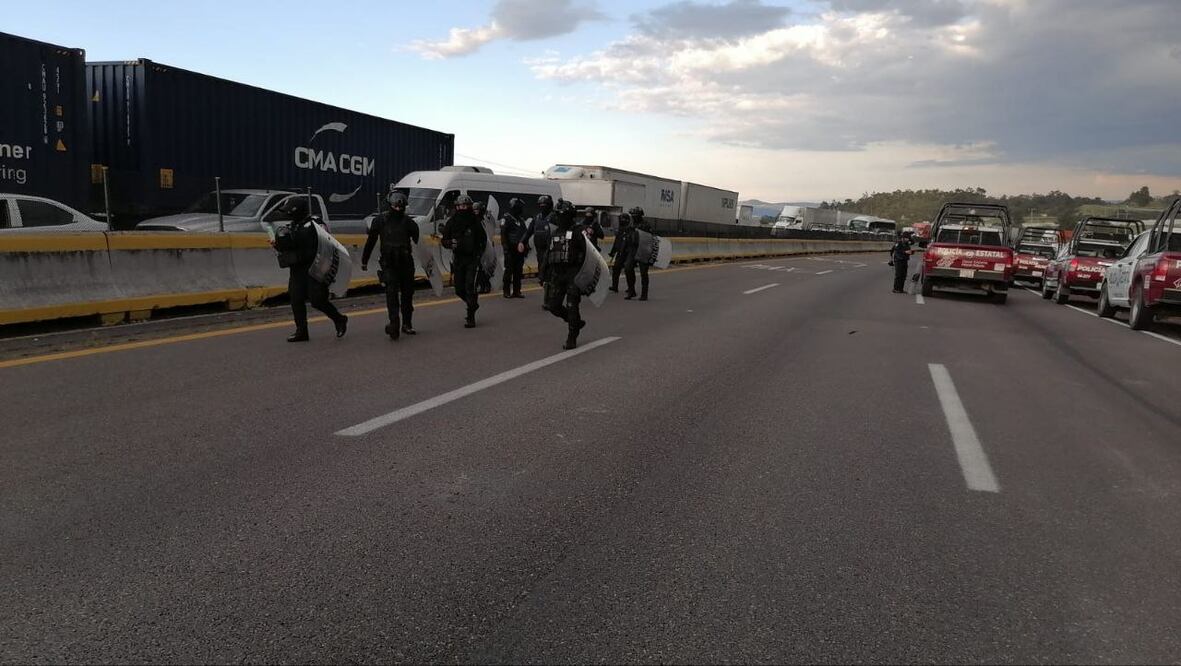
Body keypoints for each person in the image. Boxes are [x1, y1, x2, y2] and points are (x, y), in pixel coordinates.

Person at [274, 197, 348, 342]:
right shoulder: (293, 226)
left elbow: (325, 244)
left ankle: (339, 319)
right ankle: (301, 331)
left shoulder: (315, 224)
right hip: (297, 269)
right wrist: (279, 244)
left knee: (317, 300)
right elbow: (291, 245)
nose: (288, 215)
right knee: (296, 299)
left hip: (315, 268)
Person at [361, 192, 419, 340]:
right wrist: (364, 260)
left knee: (407, 295)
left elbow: (419, 242)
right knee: (391, 294)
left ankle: (407, 323)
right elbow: (371, 241)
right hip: (389, 264)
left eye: (401, 207)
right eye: (396, 206)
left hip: (406, 263)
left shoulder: (410, 223)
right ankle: (394, 323)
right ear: (390, 205)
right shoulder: (380, 221)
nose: (398, 209)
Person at [543, 199, 588, 349]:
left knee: (572, 305)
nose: (560, 218)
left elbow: (589, 252)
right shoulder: (555, 232)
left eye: (564, 215)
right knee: (553, 306)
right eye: (558, 214)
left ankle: (572, 336)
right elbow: (547, 254)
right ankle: (574, 322)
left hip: (573, 274)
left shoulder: (578, 232)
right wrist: (543, 273)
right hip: (557, 274)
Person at [441, 194, 487, 328]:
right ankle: (472, 304)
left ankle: (470, 317)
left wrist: (479, 254)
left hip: (472, 259)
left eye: (466, 206)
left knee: (470, 287)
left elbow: (483, 240)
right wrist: (450, 243)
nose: (464, 208)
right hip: (458, 260)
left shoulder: (475, 222)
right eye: (461, 206)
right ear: (457, 206)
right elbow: (444, 240)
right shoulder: (452, 222)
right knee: (459, 289)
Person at [500, 197, 529, 299]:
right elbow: (503, 234)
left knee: (518, 271)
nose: (521, 210)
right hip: (510, 248)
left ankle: (517, 291)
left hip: (519, 249)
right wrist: (506, 248)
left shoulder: (520, 220)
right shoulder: (506, 218)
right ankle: (506, 291)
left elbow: (525, 233)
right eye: (519, 207)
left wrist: (526, 246)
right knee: (509, 270)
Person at [527, 195, 557, 287]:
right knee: (541, 262)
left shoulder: (554, 217)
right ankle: (542, 278)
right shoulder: (537, 218)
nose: (543, 207)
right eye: (541, 205)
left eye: (545, 205)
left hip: (551, 247)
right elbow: (529, 231)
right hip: (539, 247)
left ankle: (550, 279)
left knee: (550, 264)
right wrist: (522, 242)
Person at [627, 206, 653, 301]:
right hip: (633, 249)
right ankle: (631, 290)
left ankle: (644, 293)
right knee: (628, 269)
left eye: (635, 215)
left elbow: (650, 238)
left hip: (643, 250)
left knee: (643, 272)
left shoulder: (646, 225)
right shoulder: (631, 224)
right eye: (632, 215)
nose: (633, 217)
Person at [608, 212, 636, 293]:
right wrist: (613, 252)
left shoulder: (631, 230)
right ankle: (615, 286)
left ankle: (631, 287)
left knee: (629, 270)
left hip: (628, 253)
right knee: (616, 268)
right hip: (620, 253)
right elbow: (617, 242)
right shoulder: (620, 230)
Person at [473, 201, 494, 294]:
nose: (476, 212)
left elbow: (489, 231)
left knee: (484, 267)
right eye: (475, 210)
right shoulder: (473, 221)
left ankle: (486, 285)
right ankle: (480, 285)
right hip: (476, 246)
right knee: (478, 268)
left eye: (477, 210)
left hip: (485, 246)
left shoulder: (485, 220)